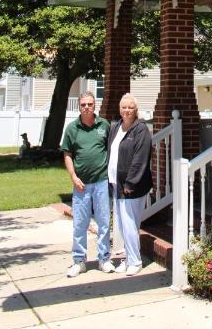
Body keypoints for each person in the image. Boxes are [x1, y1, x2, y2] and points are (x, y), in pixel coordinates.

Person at [61, 91, 114, 278]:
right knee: (79, 224)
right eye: (83, 104)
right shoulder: (72, 129)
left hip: (101, 182)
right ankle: (79, 261)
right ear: (79, 106)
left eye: (89, 104)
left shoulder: (104, 126)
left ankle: (104, 259)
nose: (86, 107)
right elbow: (67, 154)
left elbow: (111, 150)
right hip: (81, 184)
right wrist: (73, 177)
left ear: (95, 105)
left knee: (104, 222)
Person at [108, 93, 152, 276]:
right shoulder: (116, 127)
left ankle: (135, 261)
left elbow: (140, 159)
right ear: (120, 109)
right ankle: (127, 258)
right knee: (122, 225)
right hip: (115, 183)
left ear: (136, 110)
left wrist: (130, 182)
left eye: (130, 108)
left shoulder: (140, 130)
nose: (127, 111)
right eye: (124, 107)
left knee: (130, 224)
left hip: (131, 187)